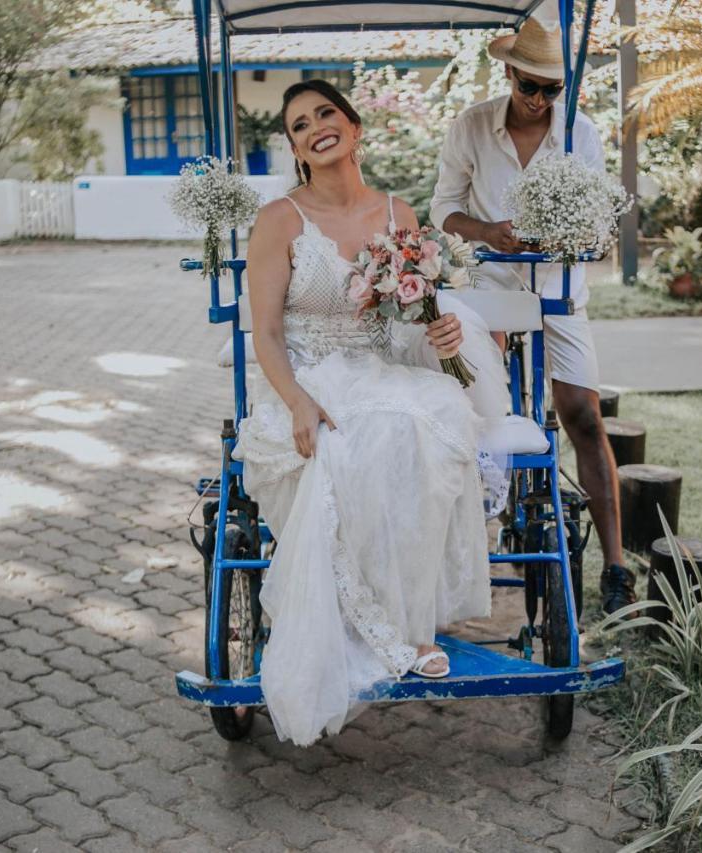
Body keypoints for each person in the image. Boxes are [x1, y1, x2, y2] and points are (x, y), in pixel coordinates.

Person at [233, 80, 492, 746]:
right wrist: (296, 398)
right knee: (347, 442)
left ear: (353, 126)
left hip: (379, 369)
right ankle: (360, 626)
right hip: (303, 377)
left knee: (432, 419)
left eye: (325, 114)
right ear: (295, 148)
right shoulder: (279, 220)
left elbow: (409, 317)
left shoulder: (398, 215)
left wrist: (440, 335)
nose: (315, 127)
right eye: (299, 125)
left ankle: (411, 627)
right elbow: (262, 332)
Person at [430, 18, 637, 614]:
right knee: (476, 402)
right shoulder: (471, 127)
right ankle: (467, 540)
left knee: (582, 416)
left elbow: (599, 217)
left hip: (558, 281)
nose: (541, 101)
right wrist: (486, 231)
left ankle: (616, 564)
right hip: (493, 281)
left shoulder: (580, 134)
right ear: (509, 73)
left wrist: (576, 234)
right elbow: (443, 207)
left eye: (553, 90)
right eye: (531, 88)